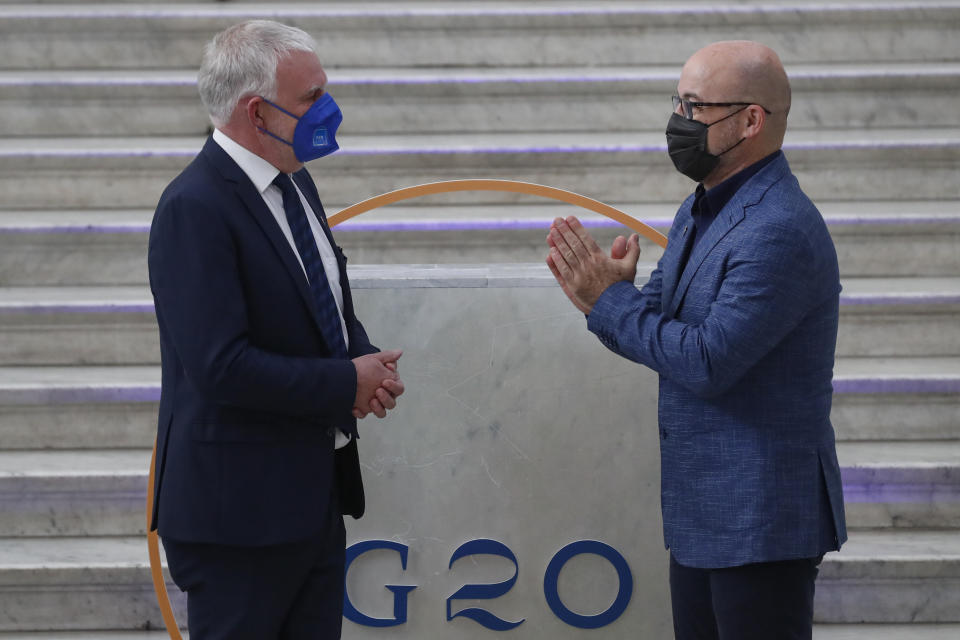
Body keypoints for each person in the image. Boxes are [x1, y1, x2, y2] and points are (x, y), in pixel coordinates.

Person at [546, 41, 846, 639]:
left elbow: (707, 359)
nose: (678, 122)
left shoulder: (778, 229)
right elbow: (658, 321)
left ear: (750, 120)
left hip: (759, 521)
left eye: (694, 107)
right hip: (704, 516)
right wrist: (611, 291)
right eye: (677, 102)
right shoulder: (702, 205)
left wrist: (610, 302)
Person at [147, 20, 404, 639]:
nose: (330, 110)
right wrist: (343, 381)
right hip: (237, 520)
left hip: (310, 504)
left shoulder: (295, 183)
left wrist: (362, 360)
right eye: (312, 97)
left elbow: (322, 302)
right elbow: (221, 367)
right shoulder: (194, 208)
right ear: (255, 111)